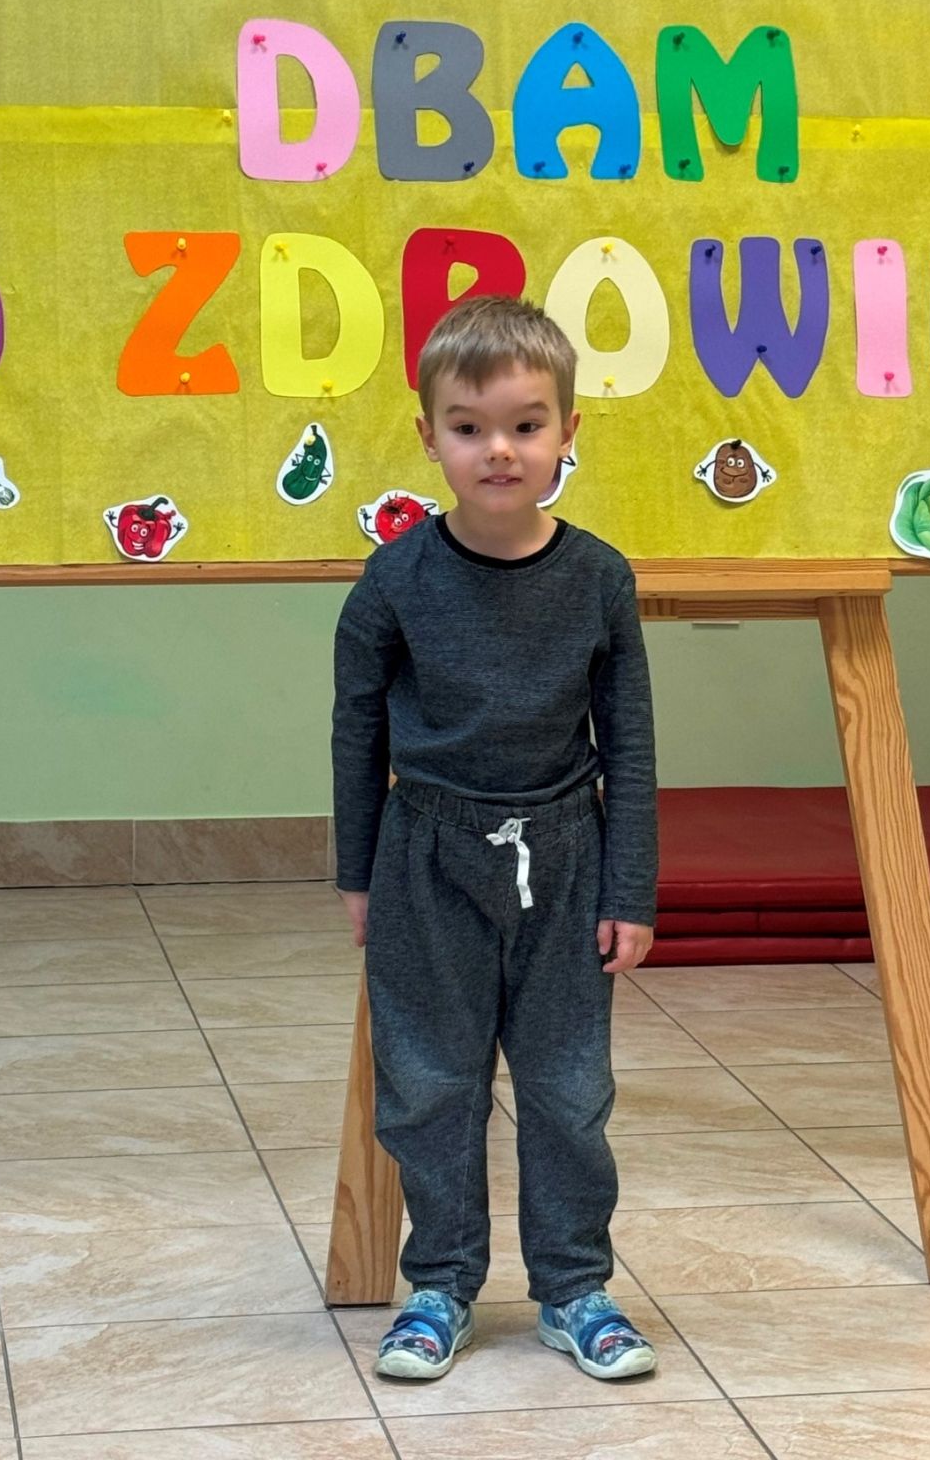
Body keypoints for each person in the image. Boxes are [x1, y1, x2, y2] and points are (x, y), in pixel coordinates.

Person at [331, 295, 659, 1385]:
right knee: (430, 1084)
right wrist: (358, 875)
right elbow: (356, 729)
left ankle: (574, 1288)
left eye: (526, 424)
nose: (500, 450)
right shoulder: (394, 582)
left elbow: (630, 742)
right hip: (424, 857)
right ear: (428, 436)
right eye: (470, 427)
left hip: (566, 860)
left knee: (568, 1088)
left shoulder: (600, 579)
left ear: (568, 432)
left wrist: (631, 888)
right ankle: (441, 1285)